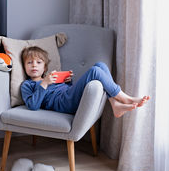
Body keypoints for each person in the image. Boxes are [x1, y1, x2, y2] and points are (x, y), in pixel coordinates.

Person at [20, 46, 149, 118]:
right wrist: (44, 83)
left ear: (45, 67)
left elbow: (64, 89)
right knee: (94, 71)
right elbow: (32, 105)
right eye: (29, 63)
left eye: (38, 62)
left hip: (68, 95)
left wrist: (67, 82)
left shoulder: (50, 77)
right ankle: (125, 98)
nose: (34, 66)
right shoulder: (27, 85)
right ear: (24, 66)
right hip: (63, 103)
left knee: (101, 65)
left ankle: (115, 104)